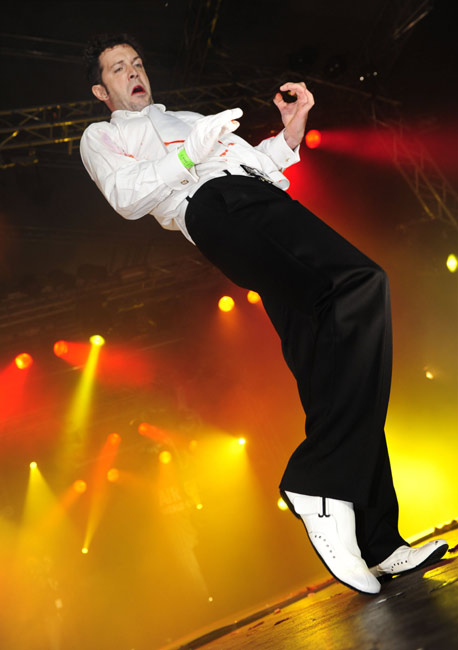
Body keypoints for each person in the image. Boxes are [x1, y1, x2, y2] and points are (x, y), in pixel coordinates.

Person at [80, 33, 448, 595]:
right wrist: (189, 153)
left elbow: (256, 165)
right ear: (101, 90)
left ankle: (378, 540)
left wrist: (289, 134)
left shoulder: (188, 118)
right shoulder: (101, 136)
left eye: (137, 63)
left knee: (329, 361)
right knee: (361, 284)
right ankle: (315, 481)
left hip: (259, 199)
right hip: (214, 211)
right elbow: (126, 196)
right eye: (117, 69)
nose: (133, 72)